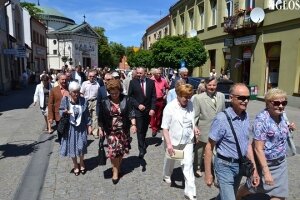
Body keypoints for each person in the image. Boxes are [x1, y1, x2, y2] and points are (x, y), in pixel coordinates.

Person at [237, 88, 296, 200]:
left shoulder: (282, 115)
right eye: (277, 103)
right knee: (252, 187)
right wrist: (266, 172)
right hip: (264, 163)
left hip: (280, 162)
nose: (281, 106)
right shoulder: (262, 120)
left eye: (284, 103)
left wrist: (289, 128)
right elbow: (258, 149)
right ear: (268, 103)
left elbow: (278, 130)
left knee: (280, 195)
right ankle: (238, 195)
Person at [204, 83, 259, 200]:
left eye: (247, 98)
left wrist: (254, 169)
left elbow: (247, 144)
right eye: (241, 98)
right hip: (224, 166)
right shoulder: (221, 119)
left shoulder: (246, 116)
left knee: (228, 196)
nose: (245, 101)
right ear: (231, 97)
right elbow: (209, 146)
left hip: (240, 165)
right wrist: (208, 173)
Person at [161, 84, 200, 200]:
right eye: (184, 97)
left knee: (188, 165)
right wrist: (169, 144)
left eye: (189, 97)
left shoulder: (191, 104)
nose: (187, 99)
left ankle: (190, 192)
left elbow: (191, 120)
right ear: (178, 95)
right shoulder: (170, 107)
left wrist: (195, 128)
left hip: (187, 141)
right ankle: (166, 175)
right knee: (170, 160)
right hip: (172, 140)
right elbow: (165, 128)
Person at [98, 79, 137, 184]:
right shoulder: (104, 101)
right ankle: (115, 172)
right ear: (109, 92)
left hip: (123, 130)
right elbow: (101, 116)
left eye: (116, 92)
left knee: (120, 151)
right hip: (110, 130)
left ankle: (117, 167)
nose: (114, 95)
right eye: (112, 93)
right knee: (113, 152)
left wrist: (133, 124)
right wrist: (100, 128)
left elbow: (131, 113)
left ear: (120, 90)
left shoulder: (126, 99)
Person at [193, 77, 225, 177]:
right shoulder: (199, 98)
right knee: (199, 150)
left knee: (216, 151)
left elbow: (223, 112)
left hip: (218, 129)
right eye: (210, 85)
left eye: (214, 85)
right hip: (204, 129)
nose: (212, 87)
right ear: (206, 85)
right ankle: (197, 167)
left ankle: (216, 170)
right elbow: (195, 115)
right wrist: (195, 128)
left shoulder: (221, 96)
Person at [59, 81, 92, 176]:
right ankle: (75, 165)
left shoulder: (83, 100)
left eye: (78, 91)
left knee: (82, 146)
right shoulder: (65, 100)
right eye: (74, 92)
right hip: (70, 129)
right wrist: (65, 112)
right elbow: (60, 111)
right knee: (72, 147)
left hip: (81, 128)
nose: (76, 94)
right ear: (70, 92)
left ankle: (82, 162)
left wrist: (89, 125)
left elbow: (87, 115)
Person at [128, 67, 156, 159]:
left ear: (145, 73)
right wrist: (137, 105)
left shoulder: (151, 82)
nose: (139, 75)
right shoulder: (133, 82)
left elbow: (153, 97)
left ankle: (143, 141)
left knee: (144, 129)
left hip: (148, 110)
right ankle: (141, 149)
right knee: (139, 130)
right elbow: (130, 97)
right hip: (138, 110)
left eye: (140, 73)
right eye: (138, 73)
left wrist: (152, 108)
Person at [48, 74, 69, 143]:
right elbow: (50, 104)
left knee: (68, 131)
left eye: (65, 79)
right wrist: (50, 117)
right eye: (62, 79)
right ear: (59, 80)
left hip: (69, 114)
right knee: (60, 131)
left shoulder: (70, 88)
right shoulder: (54, 90)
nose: (64, 81)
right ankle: (61, 144)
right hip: (58, 115)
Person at [80, 70, 100, 139]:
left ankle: (95, 132)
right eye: (90, 76)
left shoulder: (97, 84)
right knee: (86, 117)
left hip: (95, 101)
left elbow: (99, 94)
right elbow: (81, 93)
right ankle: (86, 131)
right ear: (88, 77)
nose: (92, 77)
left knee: (95, 117)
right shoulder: (84, 83)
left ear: (95, 77)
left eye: (93, 76)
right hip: (86, 101)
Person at [150, 68, 169, 137]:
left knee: (159, 115)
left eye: (160, 73)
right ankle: (153, 129)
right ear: (154, 74)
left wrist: (166, 94)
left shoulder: (163, 80)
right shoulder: (151, 80)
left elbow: (167, 87)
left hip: (161, 99)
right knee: (152, 114)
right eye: (157, 73)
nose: (159, 74)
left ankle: (157, 126)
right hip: (153, 100)